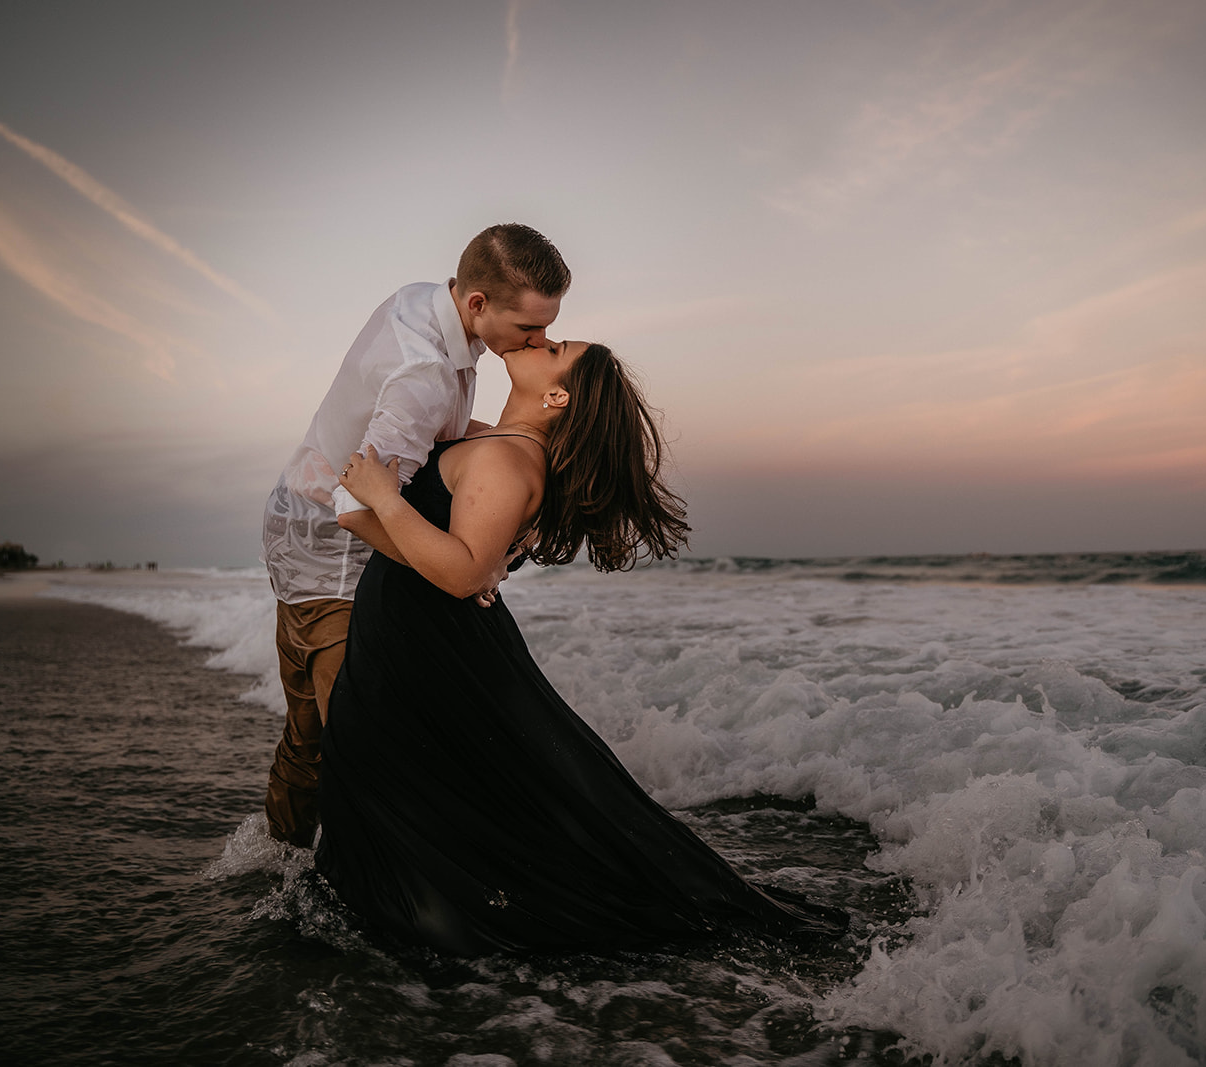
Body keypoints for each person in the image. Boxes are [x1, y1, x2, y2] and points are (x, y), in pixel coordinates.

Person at [315, 340, 847, 955]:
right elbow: (464, 561)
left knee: (390, 771)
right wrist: (386, 518)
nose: (539, 340)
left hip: (430, 638)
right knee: (426, 778)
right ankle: (395, 915)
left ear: (557, 395)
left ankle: (404, 931)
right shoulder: (494, 442)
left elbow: (460, 574)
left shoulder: (507, 459)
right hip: (421, 631)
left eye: (555, 348)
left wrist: (380, 503)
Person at [260, 223, 571, 848]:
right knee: (351, 738)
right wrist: (469, 573)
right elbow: (357, 507)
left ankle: (283, 856)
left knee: (314, 732)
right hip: (331, 553)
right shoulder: (423, 374)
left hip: (298, 514)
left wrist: (518, 451)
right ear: (478, 303)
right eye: (528, 328)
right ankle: (333, 879)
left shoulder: (426, 299)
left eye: (546, 328)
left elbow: (434, 431)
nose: (539, 341)